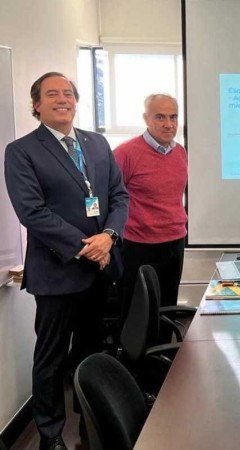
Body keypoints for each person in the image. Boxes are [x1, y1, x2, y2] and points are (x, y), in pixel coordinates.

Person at [4, 72, 128, 450]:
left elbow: (119, 196)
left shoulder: (96, 143)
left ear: (76, 101)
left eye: (68, 93)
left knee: (92, 353)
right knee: (52, 359)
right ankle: (50, 435)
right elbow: (32, 211)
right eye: (52, 94)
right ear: (36, 104)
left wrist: (109, 237)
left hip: (100, 271)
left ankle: (90, 424)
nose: (63, 99)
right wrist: (87, 246)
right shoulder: (22, 150)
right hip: (57, 273)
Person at [114, 94, 187, 319]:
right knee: (137, 314)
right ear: (146, 118)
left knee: (167, 309)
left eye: (173, 117)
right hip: (138, 246)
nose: (169, 124)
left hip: (174, 242)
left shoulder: (180, 152)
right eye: (160, 117)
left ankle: (165, 344)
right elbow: (112, 198)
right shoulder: (125, 153)